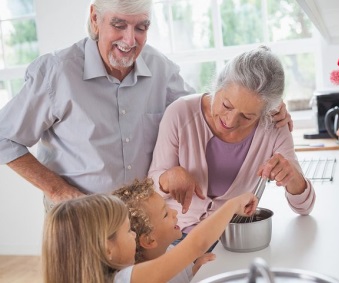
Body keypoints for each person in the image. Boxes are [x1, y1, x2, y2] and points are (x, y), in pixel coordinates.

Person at [0, 0, 292, 209]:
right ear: (94, 18)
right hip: (81, 220)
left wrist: (269, 108)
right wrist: (59, 191)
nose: (130, 40)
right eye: (119, 25)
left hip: (144, 223)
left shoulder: (160, 69)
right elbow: (5, 137)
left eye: (141, 27)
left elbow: (206, 113)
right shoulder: (56, 73)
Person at [148, 46, 316, 240]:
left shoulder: (274, 125)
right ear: (218, 86)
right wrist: (168, 178)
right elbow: (151, 189)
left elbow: (304, 207)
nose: (230, 121)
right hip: (174, 238)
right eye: (226, 105)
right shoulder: (180, 113)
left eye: (247, 116)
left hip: (232, 240)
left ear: (266, 111)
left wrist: (292, 177)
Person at [42, 191, 258, 283]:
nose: (134, 235)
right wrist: (231, 206)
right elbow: (196, 244)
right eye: (128, 231)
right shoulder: (124, 279)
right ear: (107, 249)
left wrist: (192, 271)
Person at [112, 178, 214, 283]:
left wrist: (195, 271)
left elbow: (186, 278)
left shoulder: (171, 250)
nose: (174, 212)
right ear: (149, 240)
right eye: (165, 214)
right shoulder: (141, 279)